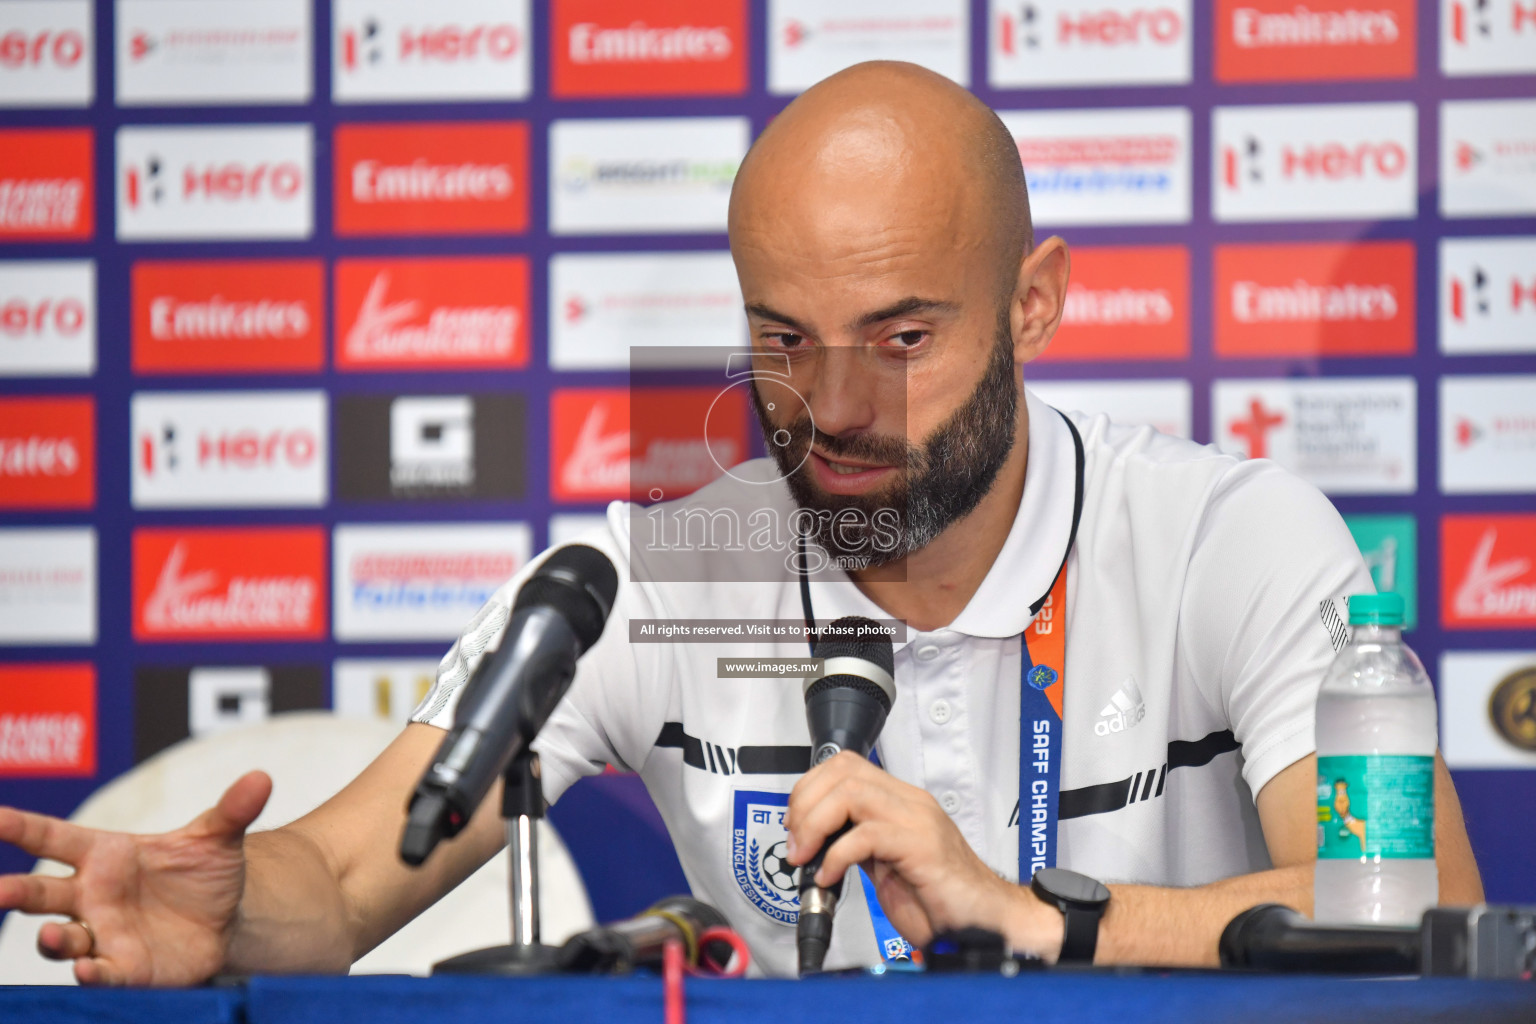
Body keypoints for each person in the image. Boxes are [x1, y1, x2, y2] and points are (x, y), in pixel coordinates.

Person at [0, 61, 1482, 985]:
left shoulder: (1231, 542)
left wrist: (1040, 920)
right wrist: (228, 913)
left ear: (1037, 306)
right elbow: (336, 878)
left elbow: (1421, 913)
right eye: (784, 338)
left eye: (901, 339)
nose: (832, 406)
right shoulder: (666, 570)